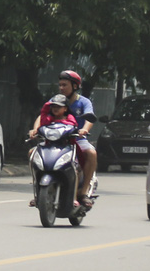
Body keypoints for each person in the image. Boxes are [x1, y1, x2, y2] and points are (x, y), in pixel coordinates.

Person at [49, 70, 98, 207]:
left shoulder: (84, 102)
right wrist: (35, 129)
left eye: (65, 85)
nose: (61, 88)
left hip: (77, 139)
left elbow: (89, 118)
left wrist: (85, 130)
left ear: (75, 86)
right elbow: (42, 116)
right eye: (60, 85)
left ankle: (83, 192)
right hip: (56, 139)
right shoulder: (55, 100)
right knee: (33, 154)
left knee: (91, 153)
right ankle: (38, 190)